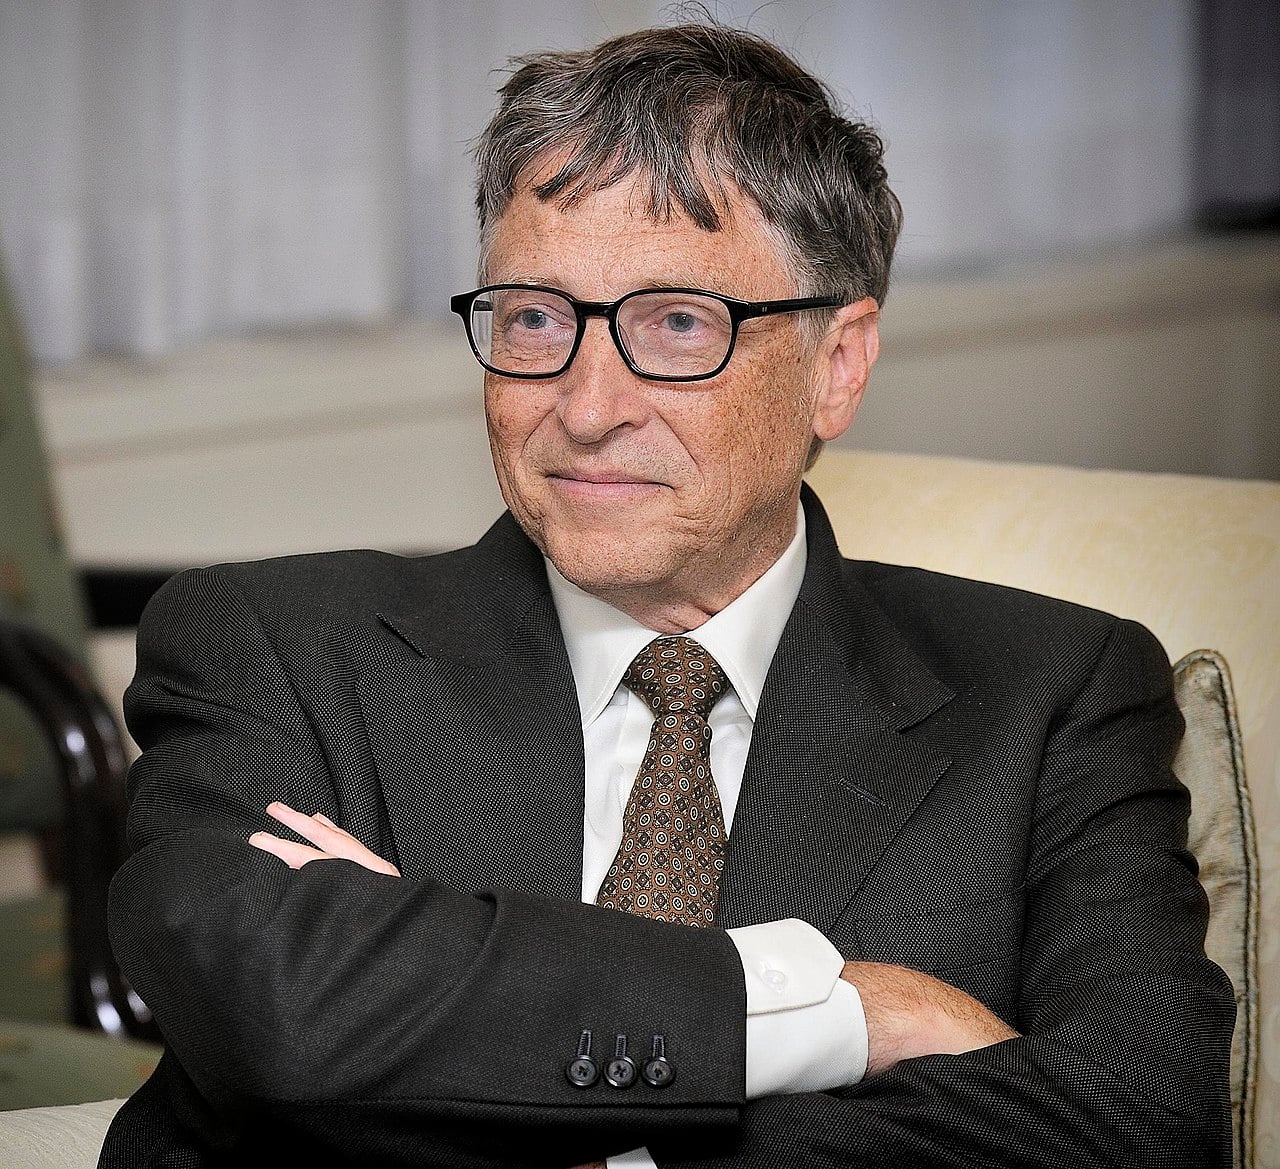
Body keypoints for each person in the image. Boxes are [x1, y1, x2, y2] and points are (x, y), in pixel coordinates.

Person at [100, 22, 1234, 1169]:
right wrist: (840, 1013)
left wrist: (446, 1017)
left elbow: (1140, 1123)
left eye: (677, 324)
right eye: (534, 317)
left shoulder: (1051, 692)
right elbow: (267, 1007)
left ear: (835, 365)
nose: (586, 406)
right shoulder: (272, 651)